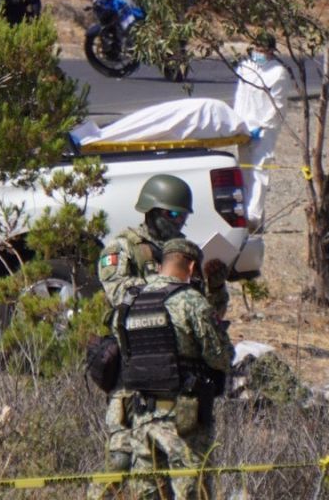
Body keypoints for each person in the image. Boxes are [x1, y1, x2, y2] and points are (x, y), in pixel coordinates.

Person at [92, 175, 229, 498]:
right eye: (173, 215)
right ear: (152, 211)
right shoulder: (124, 249)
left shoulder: (181, 256)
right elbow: (121, 297)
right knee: (118, 463)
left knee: (181, 479)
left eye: (183, 216)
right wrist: (168, 283)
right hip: (134, 376)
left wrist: (215, 287)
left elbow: (205, 314)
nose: (179, 222)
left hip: (177, 381)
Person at [116, 238, 233, 500]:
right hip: (184, 420)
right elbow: (221, 357)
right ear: (191, 267)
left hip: (141, 417)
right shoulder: (191, 301)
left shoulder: (130, 301)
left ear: (160, 265)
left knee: (146, 492)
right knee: (192, 492)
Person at [232, 32, 290, 232]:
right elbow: (240, 97)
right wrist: (236, 122)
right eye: (257, 49)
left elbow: (278, 105)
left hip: (264, 129)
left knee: (260, 171)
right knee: (244, 170)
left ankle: (254, 218)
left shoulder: (278, 73)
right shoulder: (245, 68)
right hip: (244, 126)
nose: (259, 54)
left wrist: (262, 126)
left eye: (263, 51)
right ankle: (247, 214)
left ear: (271, 52)